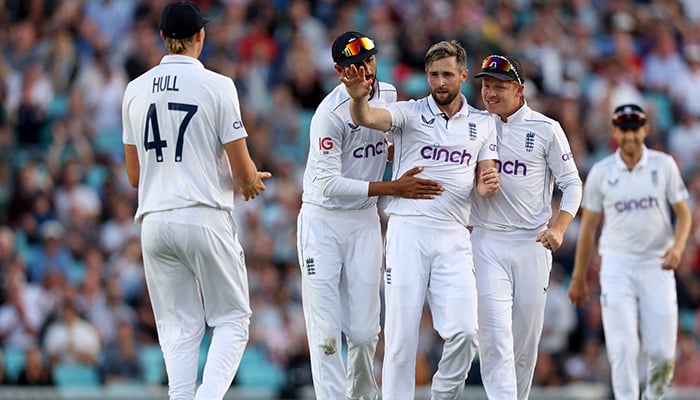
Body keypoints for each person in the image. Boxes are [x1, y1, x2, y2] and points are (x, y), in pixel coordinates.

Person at [121, 2, 271, 399]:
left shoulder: (134, 90)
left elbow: (135, 176)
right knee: (234, 320)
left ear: (162, 38)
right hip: (204, 215)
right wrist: (252, 181)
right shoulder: (219, 85)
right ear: (200, 37)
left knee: (178, 329)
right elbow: (243, 172)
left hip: (153, 220)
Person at [342, 39, 500, 400]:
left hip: (454, 235)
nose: (440, 82)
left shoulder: (482, 123)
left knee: (464, 332)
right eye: (433, 75)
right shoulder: (409, 113)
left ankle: (442, 395)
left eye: (447, 74)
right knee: (400, 339)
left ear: (463, 75)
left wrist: (489, 186)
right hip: (408, 231)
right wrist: (356, 97)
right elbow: (368, 117)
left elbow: (486, 179)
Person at [297, 30, 443, 400]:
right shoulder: (328, 115)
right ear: (338, 70)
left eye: (369, 61)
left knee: (364, 334)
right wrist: (393, 189)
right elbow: (330, 184)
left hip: (362, 220)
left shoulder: (390, 95)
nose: (364, 70)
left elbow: (390, 146)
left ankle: (362, 395)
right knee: (327, 334)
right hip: (323, 221)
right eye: (354, 65)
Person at [470, 54, 583, 400]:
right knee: (494, 336)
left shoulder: (546, 129)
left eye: (498, 86)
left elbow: (573, 183)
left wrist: (560, 227)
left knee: (525, 340)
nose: (489, 92)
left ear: (519, 90)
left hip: (533, 242)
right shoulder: (472, 124)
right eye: (486, 85)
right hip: (487, 240)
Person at [568, 103, 691, 400]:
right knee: (622, 345)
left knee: (662, 351)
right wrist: (578, 277)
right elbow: (588, 229)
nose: (630, 136)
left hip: (657, 263)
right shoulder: (601, 172)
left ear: (645, 129)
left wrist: (677, 248)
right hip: (617, 265)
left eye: (635, 129)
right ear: (614, 131)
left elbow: (684, 214)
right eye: (623, 130)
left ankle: (654, 398)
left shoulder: (664, 166)